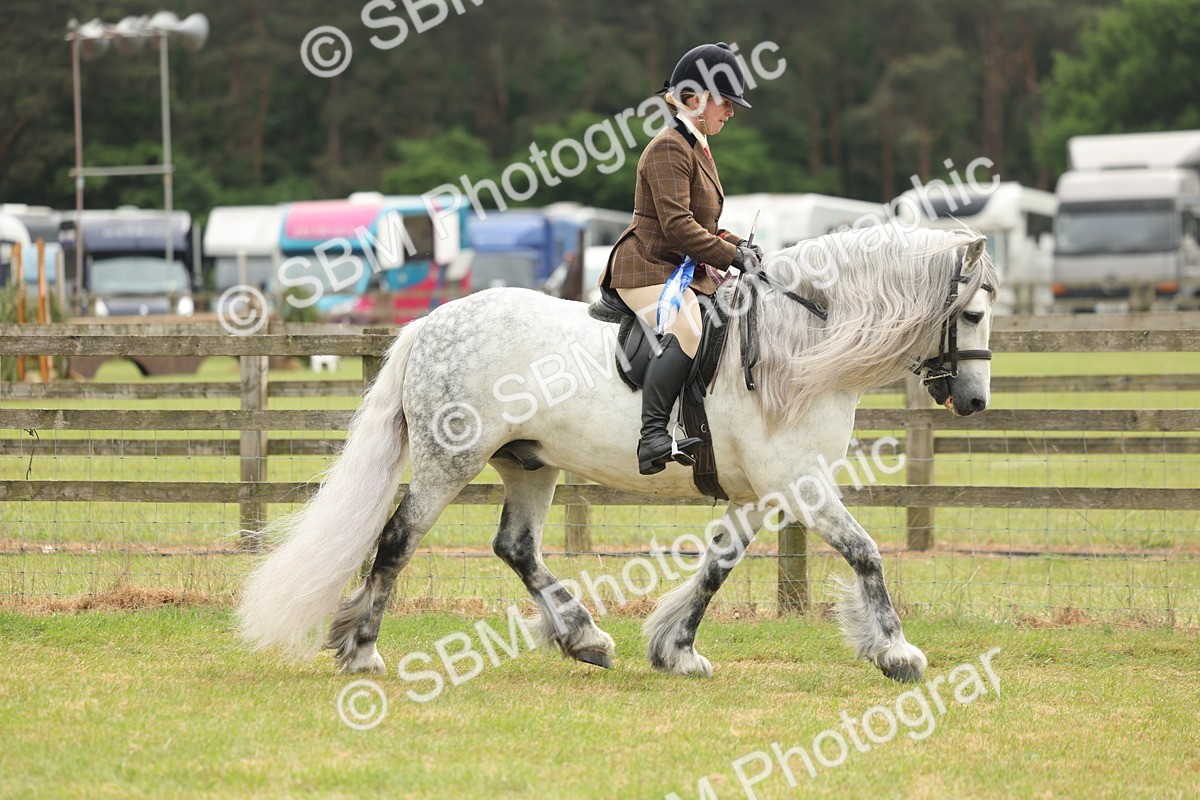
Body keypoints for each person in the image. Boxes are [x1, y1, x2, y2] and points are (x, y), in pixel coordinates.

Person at [599, 42, 763, 475]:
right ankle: (652, 437)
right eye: (725, 102)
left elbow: (701, 225)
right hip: (646, 263)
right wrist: (730, 256)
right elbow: (677, 227)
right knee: (688, 322)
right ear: (695, 98)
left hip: (676, 264)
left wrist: (738, 247)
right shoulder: (668, 148)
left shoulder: (697, 147)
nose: (731, 111)